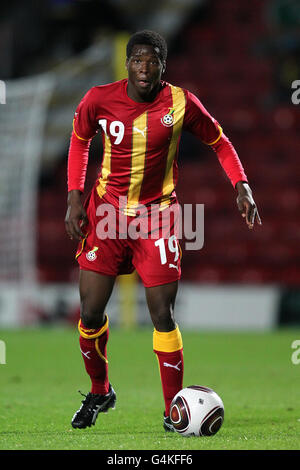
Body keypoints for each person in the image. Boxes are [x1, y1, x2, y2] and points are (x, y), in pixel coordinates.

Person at [65, 30, 261, 431]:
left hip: (158, 217)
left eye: (152, 60)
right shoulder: (98, 99)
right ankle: (100, 390)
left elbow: (220, 142)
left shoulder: (181, 103)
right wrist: (74, 197)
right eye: (137, 59)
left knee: (162, 313)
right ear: (127, 64)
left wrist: (241, 184)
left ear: (162, 65)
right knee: (89, 313)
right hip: (106, 215)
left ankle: (174, 411)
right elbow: (80, 141)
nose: (144, 67)